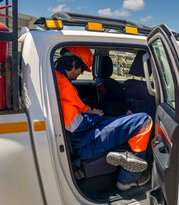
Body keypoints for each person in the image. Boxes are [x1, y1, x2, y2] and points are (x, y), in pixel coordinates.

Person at [54, 46, 152, 191]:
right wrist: (93, 116)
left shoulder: (57, 78)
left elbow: (72, 112)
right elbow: (74, 125)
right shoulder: (63, 85)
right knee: (144, 121)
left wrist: (90, 113)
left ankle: (123, 152)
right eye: (82, 68)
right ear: (74, 64)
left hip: (84, 137)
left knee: (128, 116)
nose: (82, 73)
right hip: (86, 142)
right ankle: (129, 179)